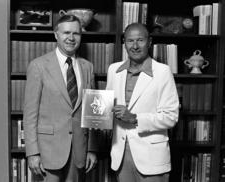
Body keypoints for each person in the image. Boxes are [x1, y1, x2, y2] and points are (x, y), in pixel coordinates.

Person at [23, 14, 98, 182]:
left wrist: (92, 148)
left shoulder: (87, 67)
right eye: (66, 33)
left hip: (79, 150)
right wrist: (32, 152)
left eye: (76, 33)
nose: (71, 38)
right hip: (47, 152)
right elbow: (30, 115)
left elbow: (92, 112)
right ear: (56, 34)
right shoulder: (38, 66)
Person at [106, 23, 179, 182]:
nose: (135, 46)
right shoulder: (113, 70)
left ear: (150, 42)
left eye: (140, 40)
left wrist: (134, 118)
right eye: (130, 41)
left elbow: (171, 116)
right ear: (124, 43)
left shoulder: (163, 72)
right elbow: (107, 108)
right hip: (120, 155)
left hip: (152, 157)